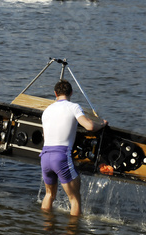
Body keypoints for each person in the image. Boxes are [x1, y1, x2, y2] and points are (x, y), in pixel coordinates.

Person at [40, 79, 107, 216]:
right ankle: (73, 234)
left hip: (45, 157)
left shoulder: (46, 110)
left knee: (49, 195)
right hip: (61, 156)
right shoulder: (73, 107)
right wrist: (102, 123)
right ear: (71, 92)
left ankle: (46, 230)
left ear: (55, 93)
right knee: (75, 199)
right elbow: (89, 126)